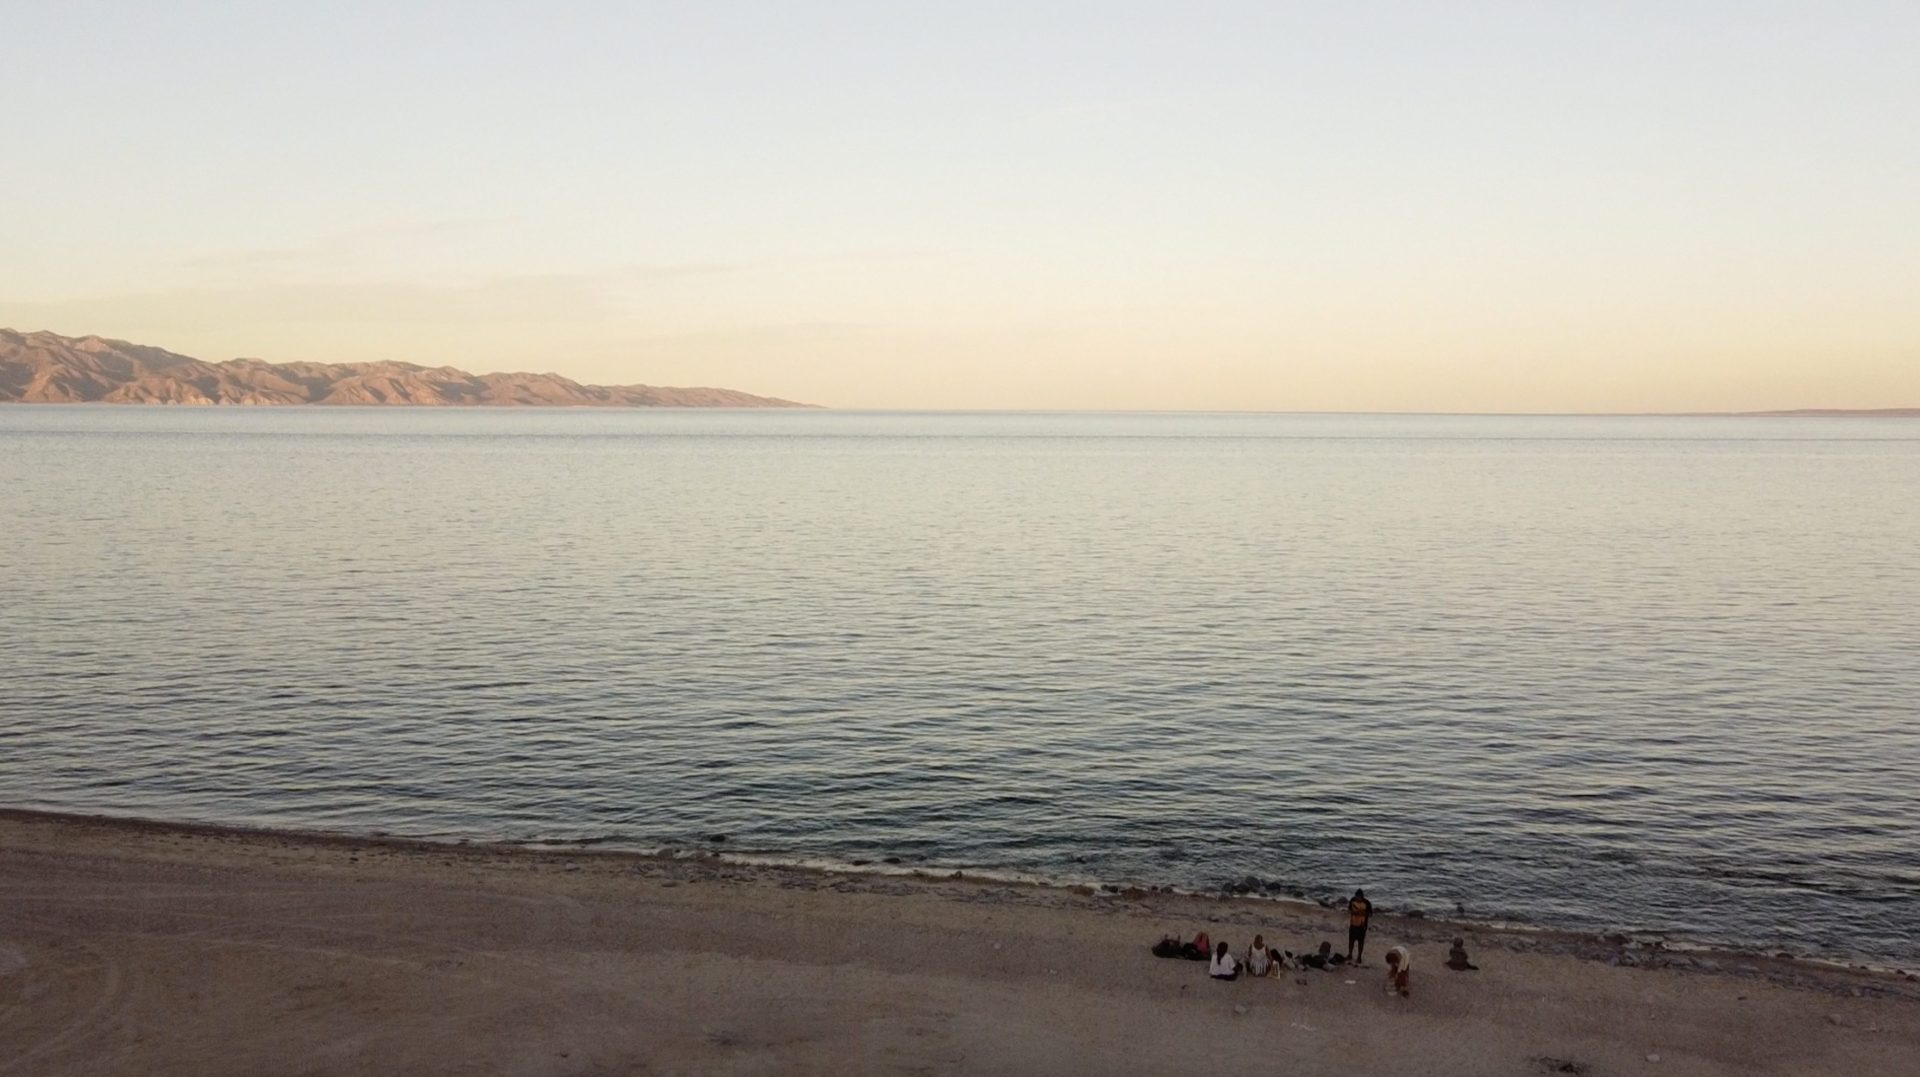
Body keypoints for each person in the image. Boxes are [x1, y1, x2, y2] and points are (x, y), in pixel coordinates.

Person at [1347, 889, 1373, 964]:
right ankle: (1350, 954)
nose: (1357, 899)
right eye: (1356, 897)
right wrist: (1353, 912)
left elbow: (1370, 914)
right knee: (1351, 940)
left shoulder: (1367, 903)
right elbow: (1349, 910)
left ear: (1362, 897)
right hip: (1353, 924)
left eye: (1359, 898)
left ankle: (1359, 957)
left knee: (1360, 942)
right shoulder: (1352, 900)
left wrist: (1362, 913)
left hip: (1362, 926)